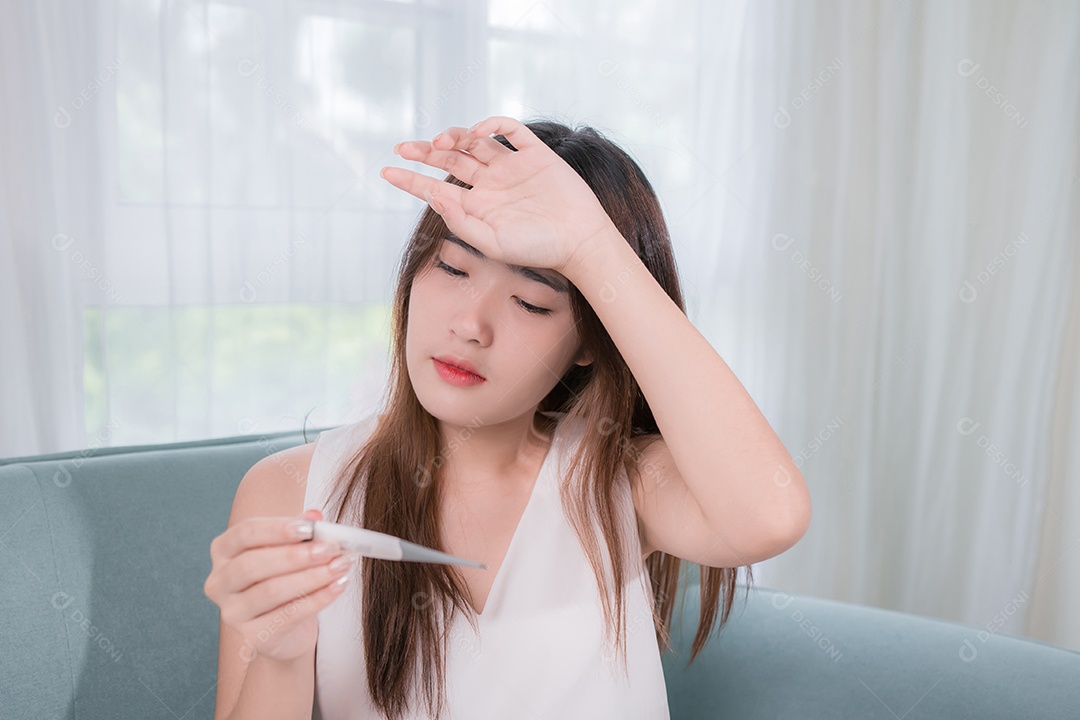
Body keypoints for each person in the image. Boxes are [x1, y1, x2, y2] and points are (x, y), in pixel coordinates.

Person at [203, 116, 812, 720]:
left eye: (532, 301)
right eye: (453, 268)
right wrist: (279, 656)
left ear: (588, 342)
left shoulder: (618, 481)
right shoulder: (288, 495)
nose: (472, 325)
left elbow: (771, 515)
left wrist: (592, 249)